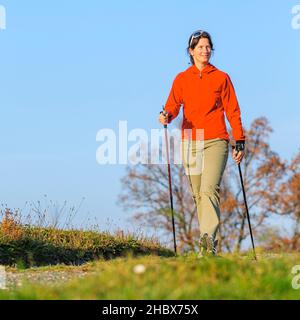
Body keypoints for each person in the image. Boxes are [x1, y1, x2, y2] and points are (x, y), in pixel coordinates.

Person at [158, 30, 246, 256]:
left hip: (216, 139)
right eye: (200, 47)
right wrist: (166, 115)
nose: (205, 51)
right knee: (198, 194)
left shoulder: (222, 77)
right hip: (191, 140)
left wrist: (239, 140)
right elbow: (173, 106)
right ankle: (206, 241)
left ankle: (208, 244)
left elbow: (233, 111)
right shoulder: (181, 79)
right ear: (191, 51)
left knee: (208, 190)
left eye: (208, 47)